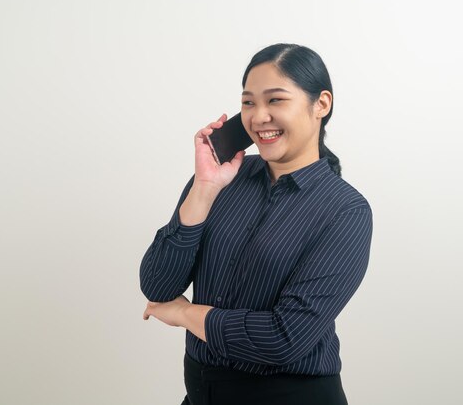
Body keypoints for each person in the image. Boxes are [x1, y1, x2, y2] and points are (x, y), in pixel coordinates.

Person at [140, 43, 373, 405]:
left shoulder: (346, 211)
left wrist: (186, 313)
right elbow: (157, 285)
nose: (258, 116)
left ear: (321, 104)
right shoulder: (220, 179)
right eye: (248, 102)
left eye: (275, 100)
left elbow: (284, 338)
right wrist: (203, 189)